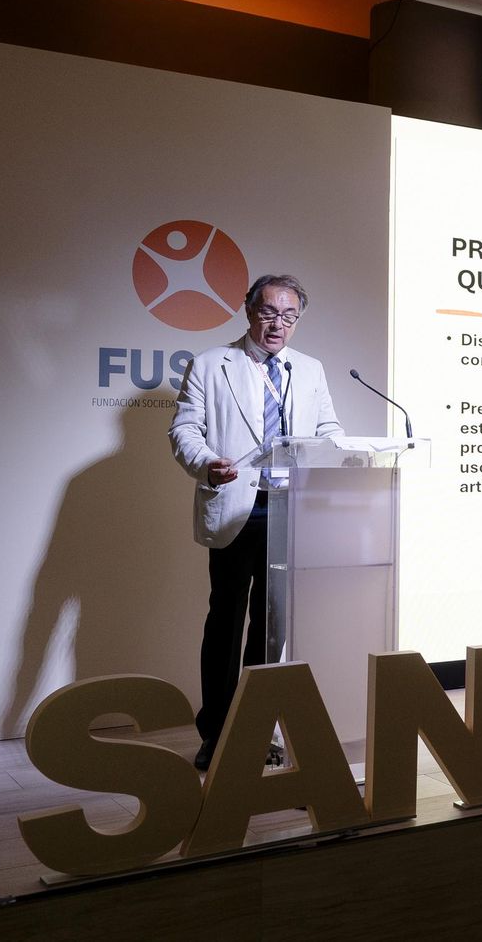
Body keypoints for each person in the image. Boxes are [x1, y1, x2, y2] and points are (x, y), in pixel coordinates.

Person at [169, 274, 343, 770]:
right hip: (236, 510)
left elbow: (328, 428)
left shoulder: (309, 370)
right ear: (248, 311)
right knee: (225, 621)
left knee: (272, 630)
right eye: (269, 312)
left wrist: (334, 451)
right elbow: (184, 428)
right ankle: (216, 733)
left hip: (292, 514)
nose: (278, 324)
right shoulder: (211, 364)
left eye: (289, 316)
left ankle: (255, 729)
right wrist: (207, 463)